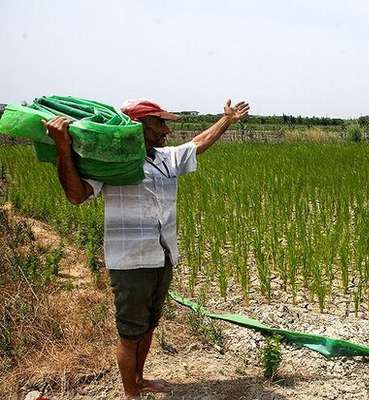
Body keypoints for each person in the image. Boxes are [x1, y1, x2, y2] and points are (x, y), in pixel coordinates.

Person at [43, 98, 249, 400]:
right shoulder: (113, 162)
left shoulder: (164, 158)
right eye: (159, 123)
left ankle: (139, 379)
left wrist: (226, 120)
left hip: (162, 255)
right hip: (130, 262)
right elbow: (77, 195)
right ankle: (131, 394)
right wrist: (63, 148)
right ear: (138, 125)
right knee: (130, 334)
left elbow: (197, 143)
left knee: (149, 325)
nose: (166, 130)